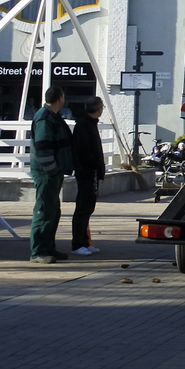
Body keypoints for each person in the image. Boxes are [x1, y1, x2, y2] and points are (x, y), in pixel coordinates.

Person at [29, 89, 75, 263]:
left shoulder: (53, 116)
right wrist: (52, 170)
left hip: (53, 173)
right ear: (60, 99)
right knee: (44, 211)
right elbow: (42, 148)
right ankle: (38, 252)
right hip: (46, 174)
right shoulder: (44, 118)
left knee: (53, 211)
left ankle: (49, 248)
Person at [70, 97, 108, 256]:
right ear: (98, 109)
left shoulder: (90, 124)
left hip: (92, 172)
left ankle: (85, 241)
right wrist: (93, 165)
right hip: (86, 172)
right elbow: (83, 151)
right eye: (101, 108)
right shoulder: (83, 125)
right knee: (83, 207)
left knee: (88, 208)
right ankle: (77, 243)